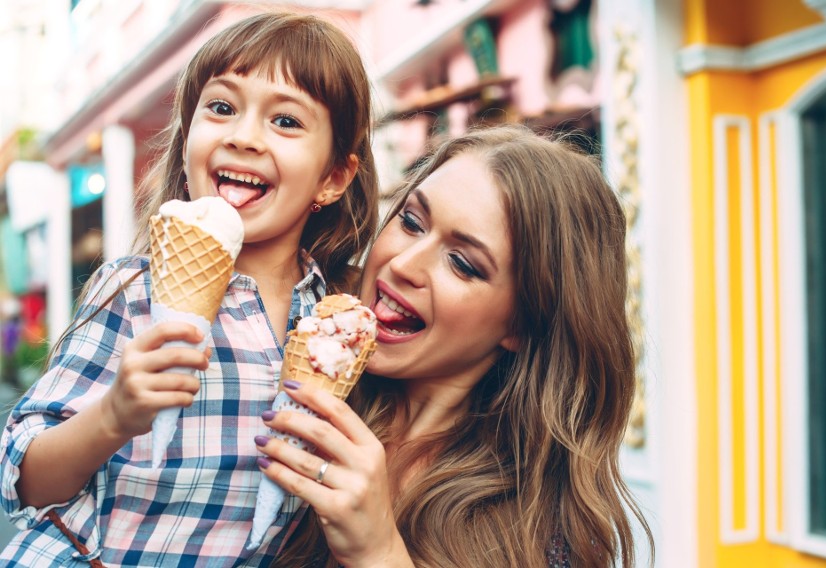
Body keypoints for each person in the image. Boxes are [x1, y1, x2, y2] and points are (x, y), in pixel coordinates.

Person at [0, 11, 378, 566]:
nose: (243, 136)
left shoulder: (334, 328)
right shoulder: (132, 289)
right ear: (185, 145)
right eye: (222, 107)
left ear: (332, 178)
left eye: (287, 122)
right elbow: (22, 477)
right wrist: (112, 417)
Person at [256, 124, 654, 568]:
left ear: (523, 322)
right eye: (410, 222)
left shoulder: (539, 534)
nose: (403, 264)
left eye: (463, 264)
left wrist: (379, 554)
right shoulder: (273, 367)